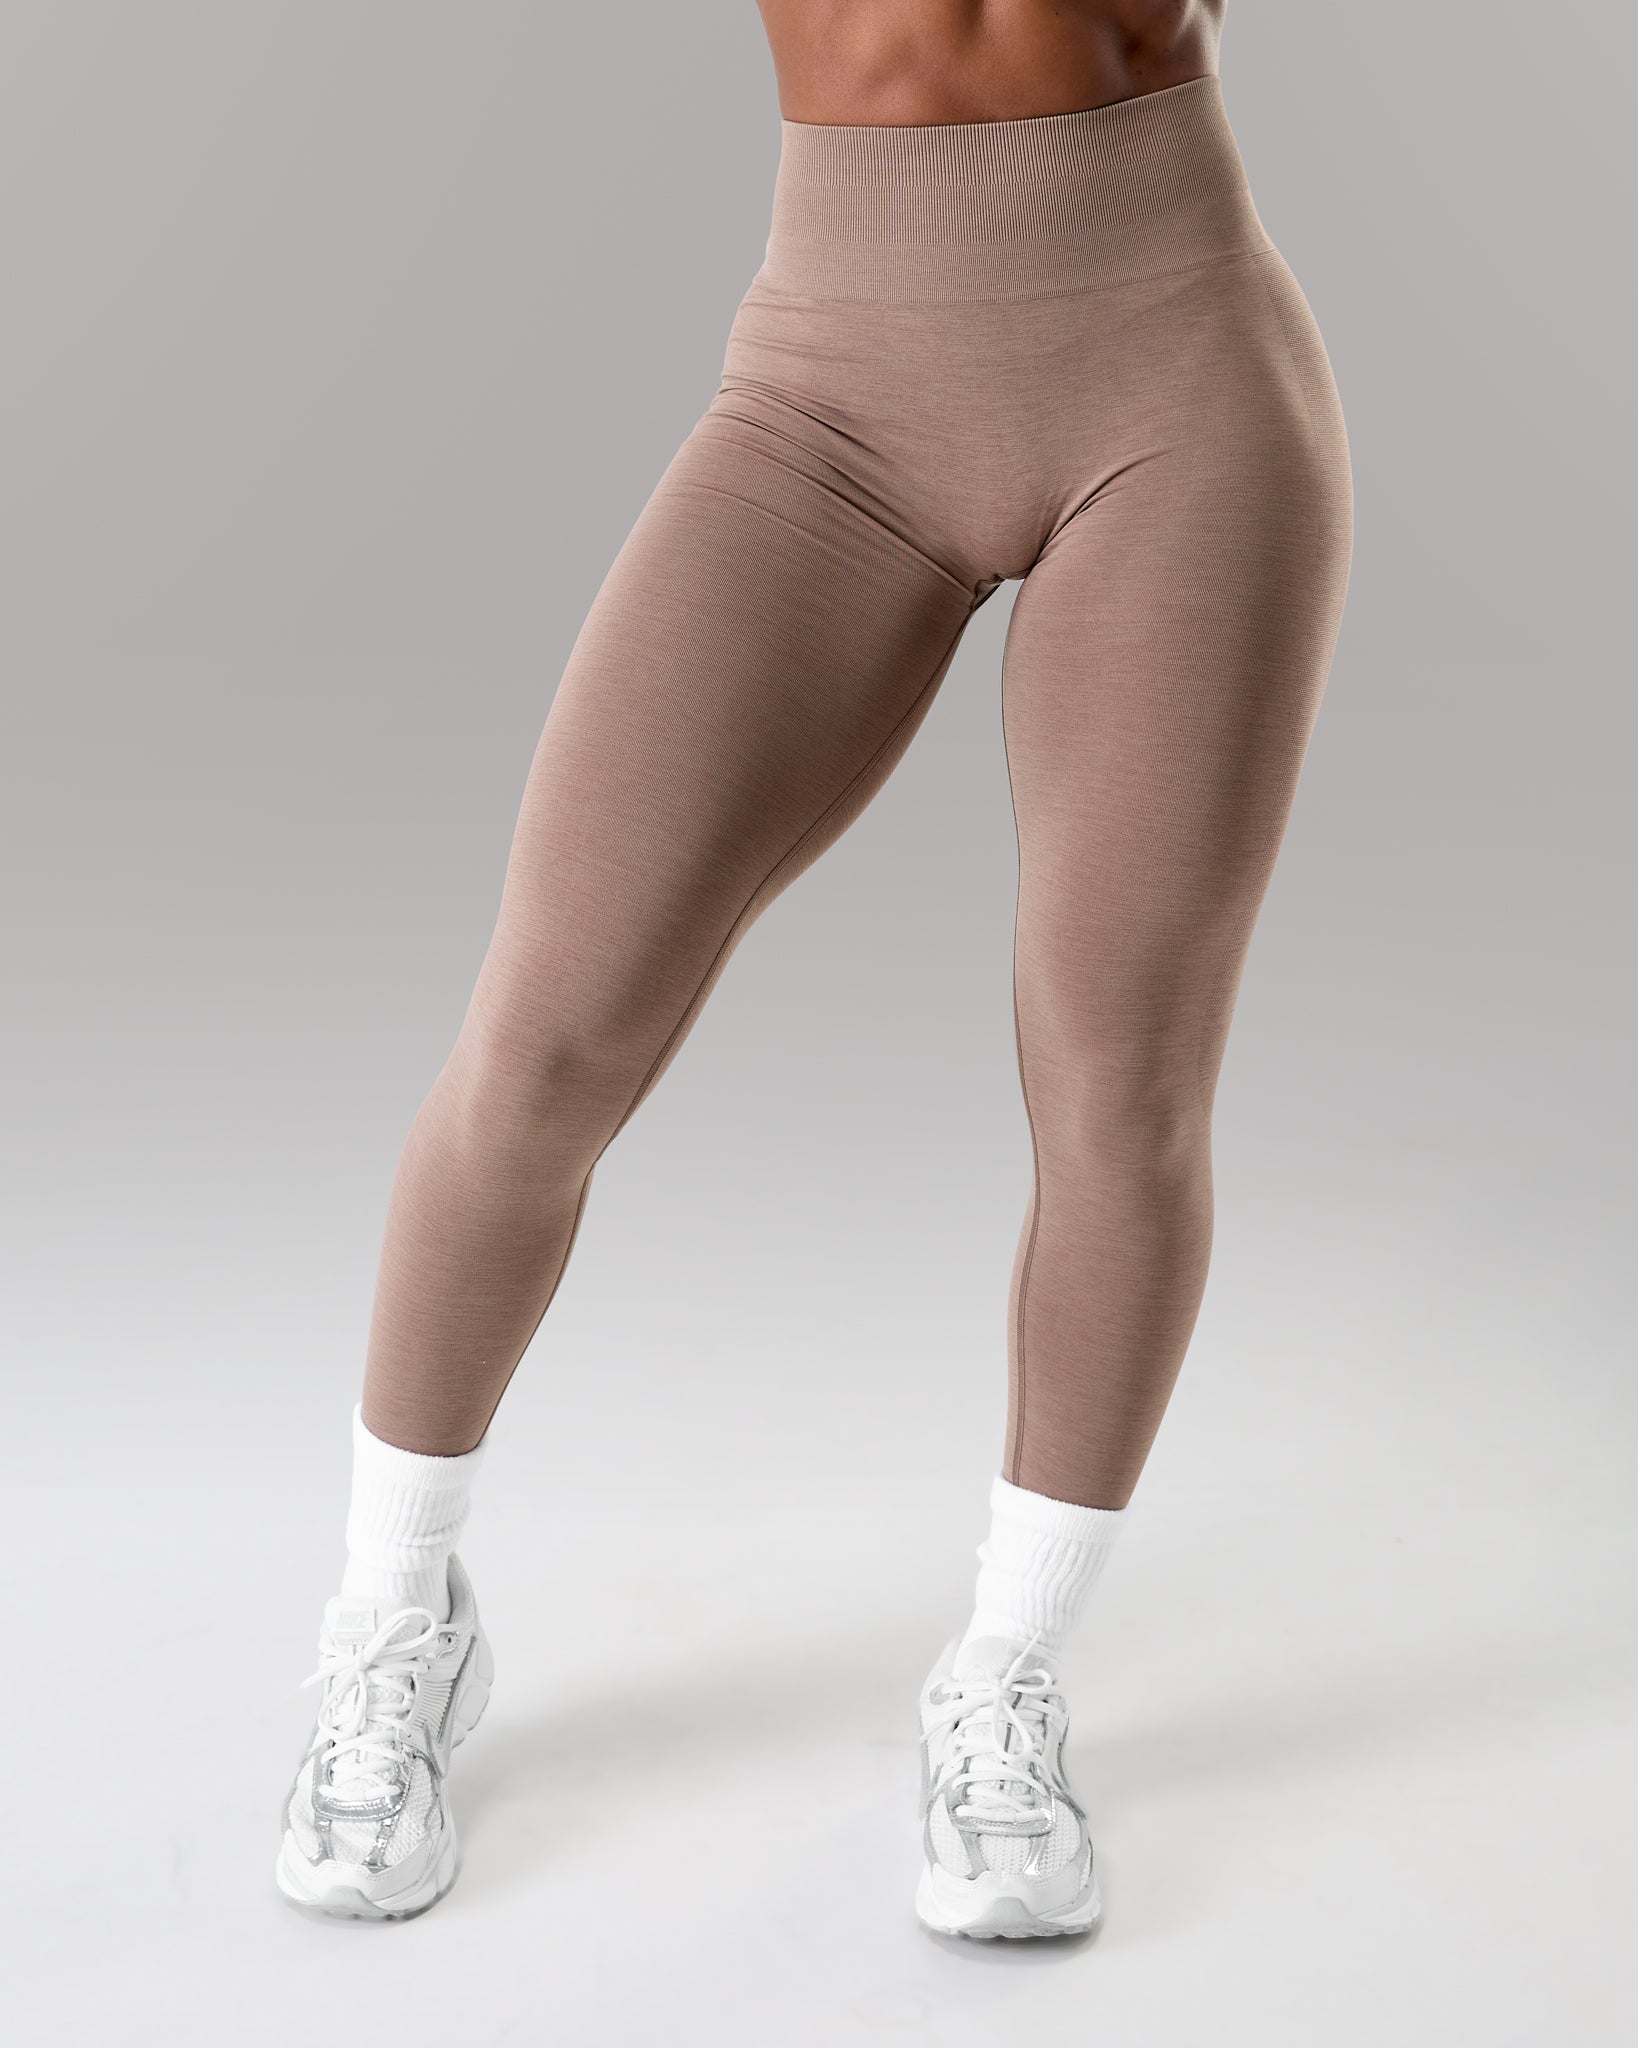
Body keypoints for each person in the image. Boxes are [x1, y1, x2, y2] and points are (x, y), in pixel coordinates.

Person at [275, 0, 1353, 1938]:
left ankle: (1007, 1671)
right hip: (831, 393)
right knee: (547, 1036)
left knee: (1118, 1079)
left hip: (1174, 361)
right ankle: (394, 1610)